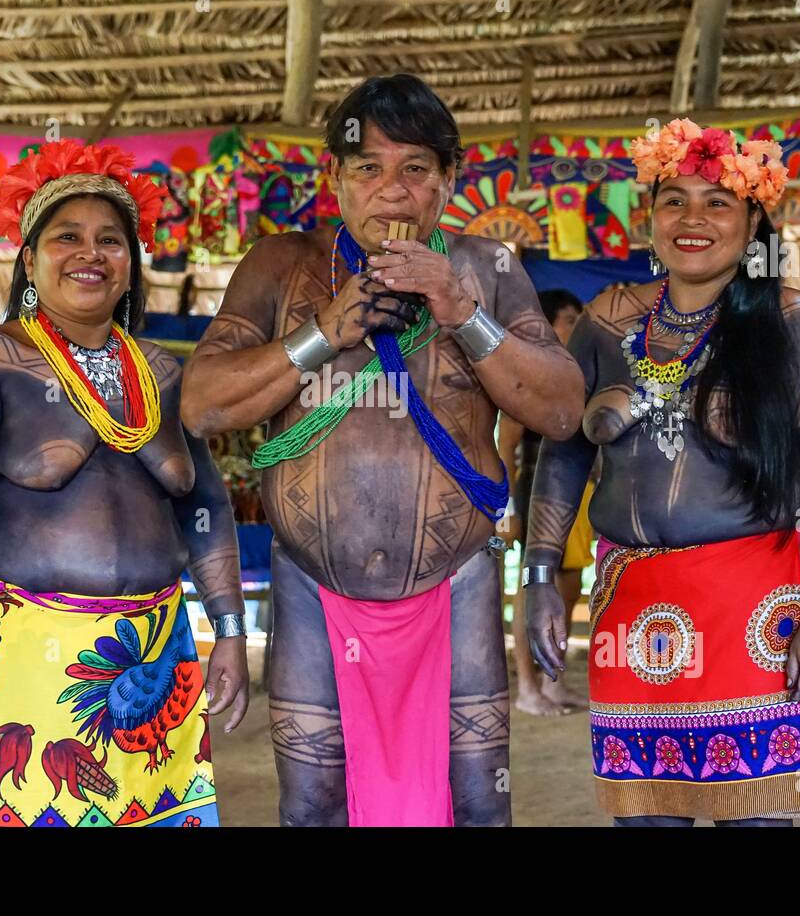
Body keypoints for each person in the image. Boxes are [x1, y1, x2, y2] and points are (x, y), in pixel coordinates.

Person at [181, 74, 584, 826]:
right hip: (311, 584)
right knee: (310, 806)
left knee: (476, 802)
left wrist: (462, 312)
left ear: (448, 181)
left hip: (457, 580)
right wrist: (325, 331)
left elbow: (561, 409)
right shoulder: (280, 264)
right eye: (368, 168)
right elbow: (204, 404)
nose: (391, 191)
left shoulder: (490, 268)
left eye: (415, 170)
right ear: (336, 181)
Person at [0, 140, 248, 827]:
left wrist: (228, 628)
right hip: (24, 649)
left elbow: (206, 504)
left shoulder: (165, 374)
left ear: (130, 264)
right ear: (30, 259)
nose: (91, 253)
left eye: (111, 241)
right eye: (67, 238)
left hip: (155, 654)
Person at [524, 118, 800, 826]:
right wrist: (539, 580)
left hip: (756, 606)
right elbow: (562, 455)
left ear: (753, 218)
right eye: (674, 200)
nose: (693, 219)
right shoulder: (609, 321)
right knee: (644, 817)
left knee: (756, 815)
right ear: (650, 218)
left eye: (717, 202)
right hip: (633, 604)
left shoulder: (792, 321)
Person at [497, 288, 590, 715]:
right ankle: (528, 689)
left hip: (578, 498)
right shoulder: (530, 376)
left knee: (569, 586)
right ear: (548, 325)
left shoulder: (579, 371)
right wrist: (506, 511)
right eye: (569, 318)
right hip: (535, 496)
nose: (576, 324)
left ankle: (552, 680)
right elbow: (505, 447)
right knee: (533, 586)